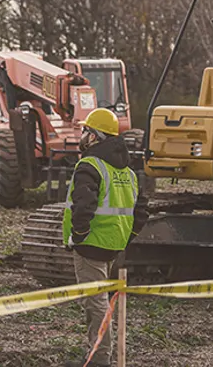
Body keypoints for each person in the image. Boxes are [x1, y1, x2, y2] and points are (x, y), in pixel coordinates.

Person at [62, 108, 149, 367]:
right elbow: (141, 211)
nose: (83, 135)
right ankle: (98, 354)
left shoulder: (89, 165)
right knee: (100, 302)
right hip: (113, 245)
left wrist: (79, 236)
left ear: (96, 136)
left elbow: (83, 205)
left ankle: (99, 360)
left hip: (90, 245)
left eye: (86, 131)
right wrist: (125, 236)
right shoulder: (128, 171)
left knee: (96, 305)